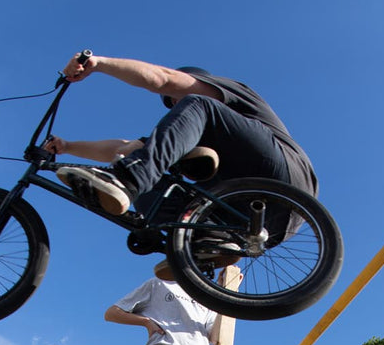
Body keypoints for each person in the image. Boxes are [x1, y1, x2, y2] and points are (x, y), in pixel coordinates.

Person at [44, 53, 318, 222]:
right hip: (260, 222)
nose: (175, 107)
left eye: (174, 100)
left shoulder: (224, 93)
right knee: (151, 171)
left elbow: (163, 79)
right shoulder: (178, 138)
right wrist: (67, 147)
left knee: (196, 107)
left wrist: (98, 64)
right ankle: (205, 243)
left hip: (285, 176)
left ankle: (129, 179)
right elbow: (121, 148)